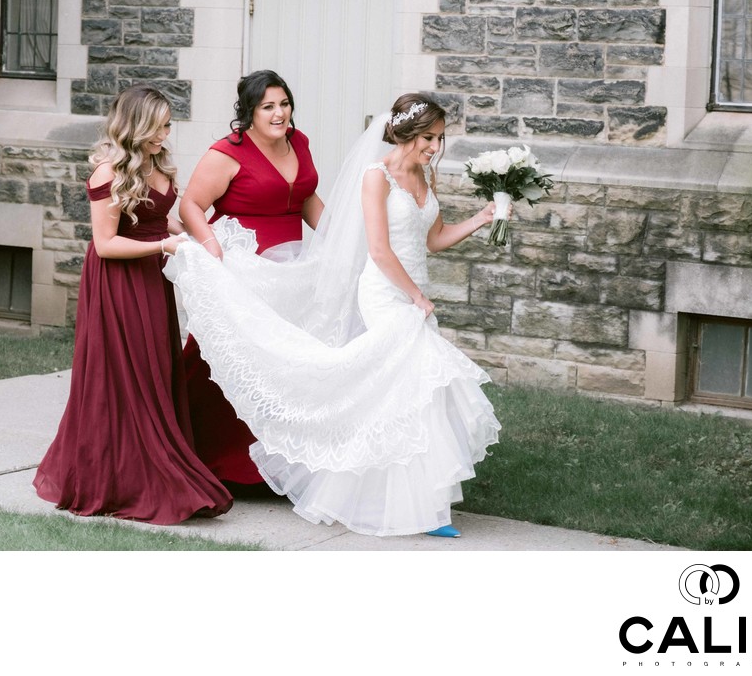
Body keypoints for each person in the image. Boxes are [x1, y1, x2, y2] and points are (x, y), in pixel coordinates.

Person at [165, 92, 503, 537]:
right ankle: (422, 508)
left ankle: (415, 502)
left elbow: (434, 239)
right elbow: (379, 251)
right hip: (387, 293)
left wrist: (482, 218)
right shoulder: (375, 176)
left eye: (439, 139)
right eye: (428, 138)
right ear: (404, 133)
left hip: (413, 292)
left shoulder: (424, 176)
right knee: (412, 388)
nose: (434, 147)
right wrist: (414, 296)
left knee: (409, 395)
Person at [33, 84, 232, 524]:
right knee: (125, 373)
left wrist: (207, 240)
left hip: (153, 276)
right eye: (159, 126)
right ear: (137, 124)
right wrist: (166, 245)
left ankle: (150, 464)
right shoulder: (109, 172)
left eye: (167, 125)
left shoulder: (158, 164)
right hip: (119, 280)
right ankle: (120, 478)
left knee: (155, 368)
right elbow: (104, 245)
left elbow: (166, 219)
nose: (165, 133)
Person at [178, 70, 324, 487]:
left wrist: (339, 239)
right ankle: (211, 459)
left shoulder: (300, 142)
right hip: (245, 269)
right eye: (268, 107)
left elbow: (306, 197)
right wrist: (210, 246)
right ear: (249, 112)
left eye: (284, 103)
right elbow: (190, 205)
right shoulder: (226, 153)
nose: (279, 113)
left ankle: (282, 464)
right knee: (230, 363)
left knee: (287, 365)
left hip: (293, 271)